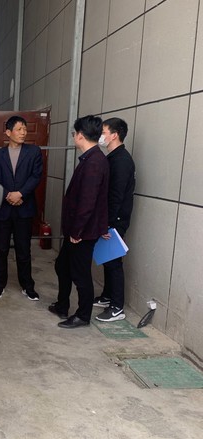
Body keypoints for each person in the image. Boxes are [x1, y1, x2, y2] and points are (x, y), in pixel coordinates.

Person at [49, 115, 109, 328]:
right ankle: (62, 305)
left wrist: (77, 232)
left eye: (74, 133)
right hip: (79, 230)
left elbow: (87, 202)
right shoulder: (91, 158)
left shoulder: (94, 162)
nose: (74, 136)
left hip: (83, 232)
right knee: (62, 266)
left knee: (80, 274)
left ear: (80, 135)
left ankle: (83, 315)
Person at [0, 116, 43, 300]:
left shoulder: (34, 152)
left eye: (25, 129)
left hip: (24, 208)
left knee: (24, 250)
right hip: (3, 208)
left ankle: (27, 286)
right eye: (19, 129)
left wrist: (20, 194)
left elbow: (36, 176)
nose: (23, 133)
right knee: (1, 249)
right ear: (8, 132)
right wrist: (8, 195)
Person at [93, 118, 135, 322]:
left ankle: (117, 307)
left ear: (115, 135)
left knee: (114, 261)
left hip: (115, 219)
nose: (100, 136)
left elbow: (116, 195)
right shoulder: (113, 157)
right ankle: (108, 296)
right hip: (110, 217)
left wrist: (107, 222)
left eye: (103, 132)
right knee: (108, 258)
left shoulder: (122, 161)